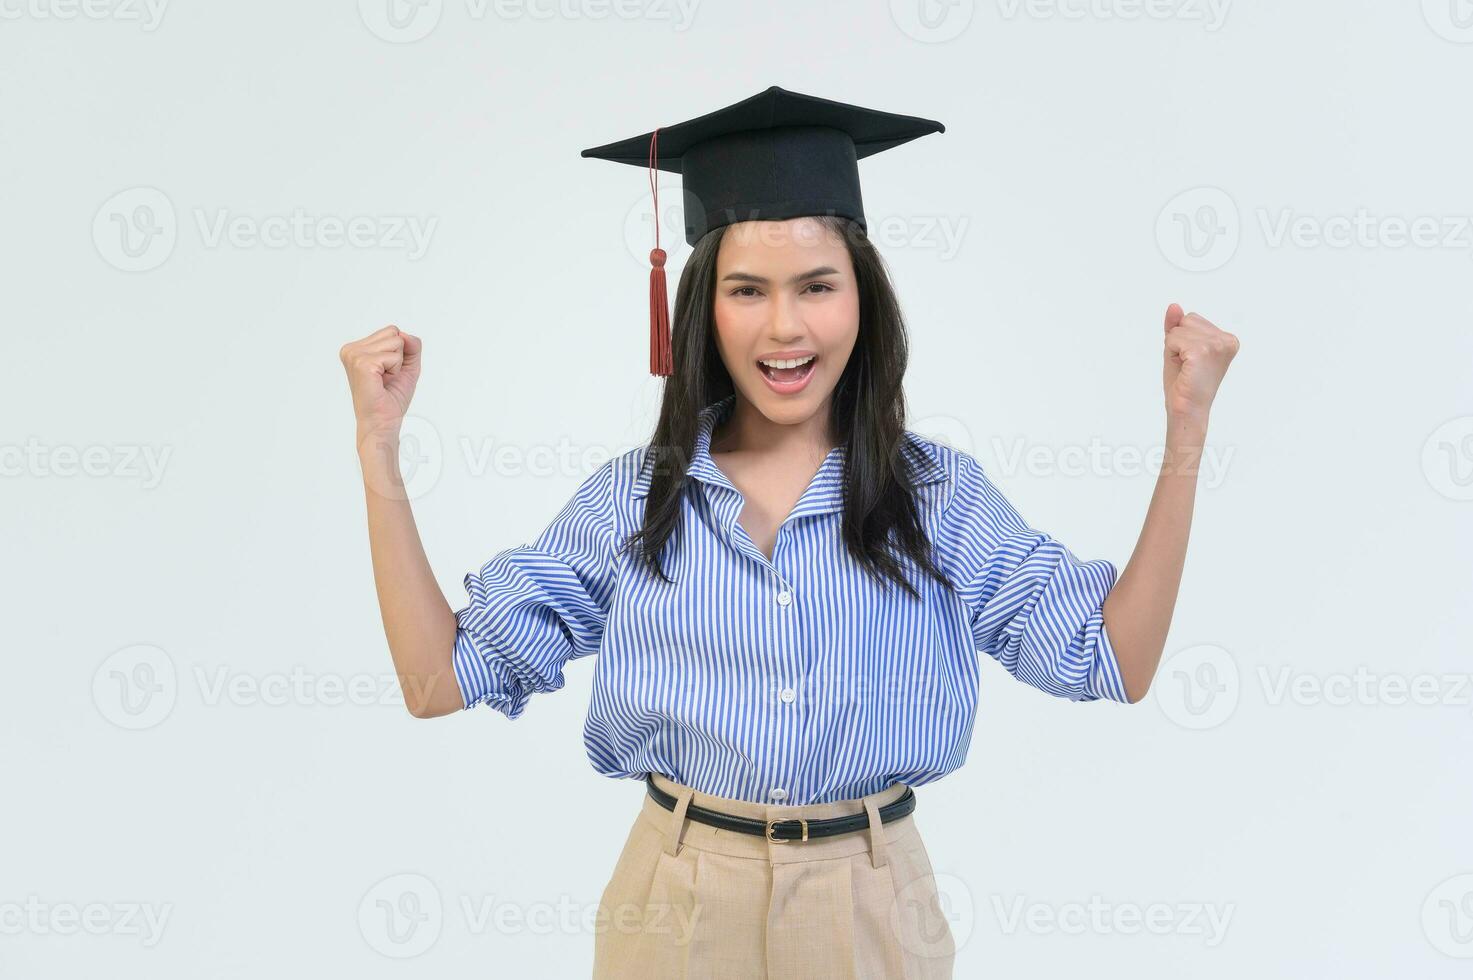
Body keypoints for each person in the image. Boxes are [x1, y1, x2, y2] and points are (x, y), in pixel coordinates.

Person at [338, 86, 1239, 979]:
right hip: (675, 897)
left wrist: (1185, 432)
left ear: (862, 300)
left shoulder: (935, 497)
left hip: (870, 900)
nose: (784, 326)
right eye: (746, 290)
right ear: (702, 309)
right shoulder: (635, 501)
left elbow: (1111, 660)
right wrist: (378, 446)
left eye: (816, 286)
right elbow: (438, 680)